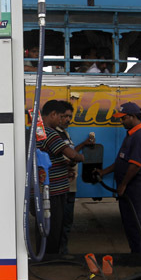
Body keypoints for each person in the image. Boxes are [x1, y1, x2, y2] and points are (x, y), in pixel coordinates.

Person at [96, 102, 141, 253]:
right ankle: (136, 253)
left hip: (135, 188)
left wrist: (123, 185)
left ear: (133, 117)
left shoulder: (140, 137)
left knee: (136, 224)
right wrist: (103, 172)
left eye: (123, 118)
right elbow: (121, 162)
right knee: (129, 223)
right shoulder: (131, 135)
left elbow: (135, 165)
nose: (121, 122)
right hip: (128, 188)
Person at [37, 100, 85, 254]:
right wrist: (81, 157)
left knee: (44, 226)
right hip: (54, 190)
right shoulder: (50, 132)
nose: (61, 120)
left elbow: (49, 157)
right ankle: (51, 259)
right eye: (61, 117)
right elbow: (71, 154)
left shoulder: (37, 130)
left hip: (45, 187)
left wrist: (65, 167)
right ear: (53, 114)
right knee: (54, 227)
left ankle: (44, 254)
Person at [56, 100, 95, 254]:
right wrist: (75, 160)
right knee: (63, 222)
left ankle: (61, 250)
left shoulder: (64, 132)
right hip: (63, 186)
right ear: (56, 116)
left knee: (67, 221)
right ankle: (61, 252)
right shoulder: (55, 134)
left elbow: (69, 150)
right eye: (64, 116)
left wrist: (83, 144)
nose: (68, 119)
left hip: (70, 186)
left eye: (69, 116)